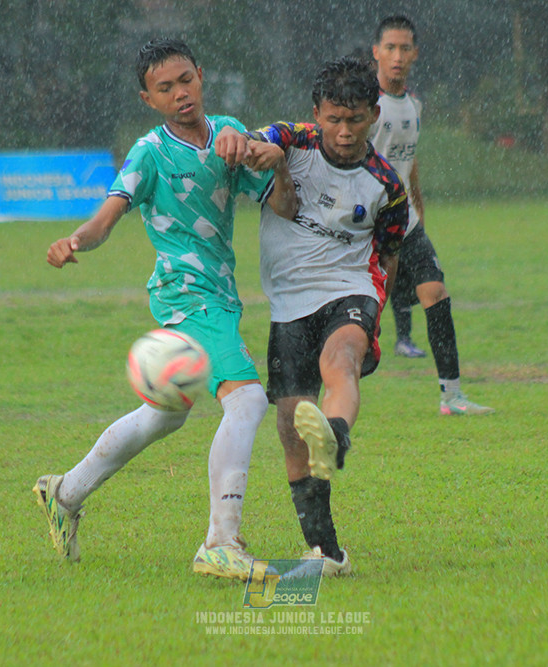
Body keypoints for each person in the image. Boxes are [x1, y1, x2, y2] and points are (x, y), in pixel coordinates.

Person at [33, 38, 297, 579]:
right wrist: (75, 242)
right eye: (164, 88)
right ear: (147, 98)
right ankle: (220, 542)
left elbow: (283, 203)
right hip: (185, 293)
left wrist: (269, 154)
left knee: (166, 414)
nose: (180, 94)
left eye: (185, 80)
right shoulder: (149, 152)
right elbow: (106, 217)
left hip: (221, 294)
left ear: (201, 75)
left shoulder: (228, 131)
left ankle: (67, 492)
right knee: (246, 400)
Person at [217, 56, 408, 576]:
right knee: (289, 426)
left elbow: (388, 256)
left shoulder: (387, 185)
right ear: (317, 114)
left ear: (374, 115)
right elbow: (255, 139)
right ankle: (326, 552)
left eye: (356, 120)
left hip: (351, 288)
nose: (344, 132)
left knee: (340, 359)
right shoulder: (294, 139)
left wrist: (374, 315)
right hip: (288, 305)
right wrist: (265, 151)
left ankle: (338, 432)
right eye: (333, 119)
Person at [369, 15, 493, 415]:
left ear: (415, 53)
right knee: (352, 314)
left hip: (406, 223)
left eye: (405, 48)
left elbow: (409, 163)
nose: (398, 56)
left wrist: (417, 206)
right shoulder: (363, 106)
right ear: (376, 52)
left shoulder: (415, 104)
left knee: (435, 294)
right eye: (390, 47)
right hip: (366, 227)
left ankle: (452, 396)